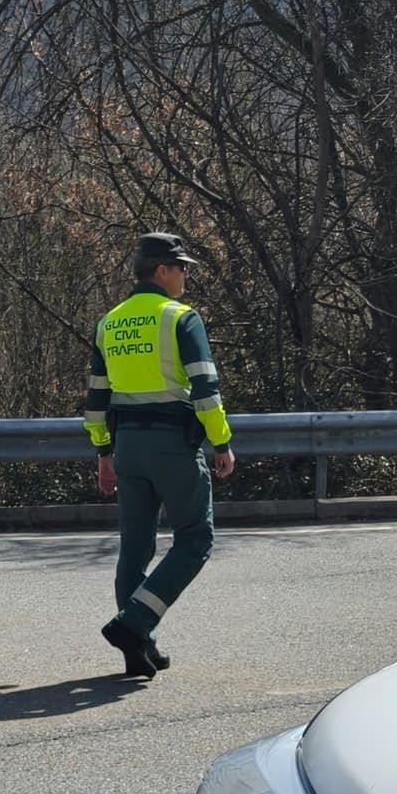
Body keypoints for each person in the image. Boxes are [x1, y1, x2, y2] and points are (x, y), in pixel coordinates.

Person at [82, 232, 235, 679]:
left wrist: (102, 452)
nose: (186, 274)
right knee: (195, 539)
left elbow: (95, 400)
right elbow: (205, 389)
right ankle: (134, 624)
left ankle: (139, 649)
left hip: (127, 446)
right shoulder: (180, 318)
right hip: (172, 444)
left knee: (135, 547)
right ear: (161, 270)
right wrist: (221, 441)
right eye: (182, 266)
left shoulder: (109, 322)